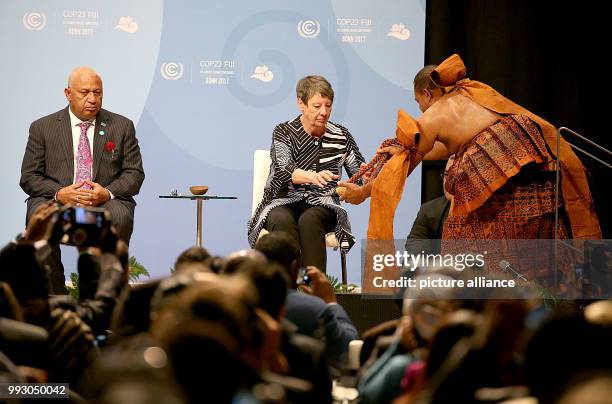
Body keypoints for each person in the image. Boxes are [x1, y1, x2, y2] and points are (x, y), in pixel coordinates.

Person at [340, 54, 601, 285]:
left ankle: (473, 296)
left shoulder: (432, 117)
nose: (419, 108)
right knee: (526, 240)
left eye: (418, 101)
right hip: (535, 165)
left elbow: (399, 174)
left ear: (428, 94)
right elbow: (444, 147)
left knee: (459, 239)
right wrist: (400, 151)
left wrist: (363, 192)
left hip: (505, 169)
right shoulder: (473, 92)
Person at [248, 75, 365, 271]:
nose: (324, 112)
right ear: (300, 103)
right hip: (282, 200)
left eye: (328, 106)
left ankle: (314, 290)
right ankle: (286, 288)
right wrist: (313, 176)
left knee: (310, 220)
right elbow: (284, 170)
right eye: (317, 106)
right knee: (283, 220)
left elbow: (358, 175)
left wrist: (367, 175)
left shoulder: (341, 135)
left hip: (323, 202)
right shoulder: (284, 131)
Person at [20, 66, 145, 244]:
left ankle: (102, 272)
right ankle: (52, 274)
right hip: (57, 199)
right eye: (85, 93)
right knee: (40, 216)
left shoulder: (121, 126)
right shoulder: (42, 128)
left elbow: (134, 173)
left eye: (97, 92)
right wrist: (59, 193)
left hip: (104, 202)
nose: (92, 99)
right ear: (68, 93)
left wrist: (107, 193)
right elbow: (29, 176)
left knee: (120, 215)